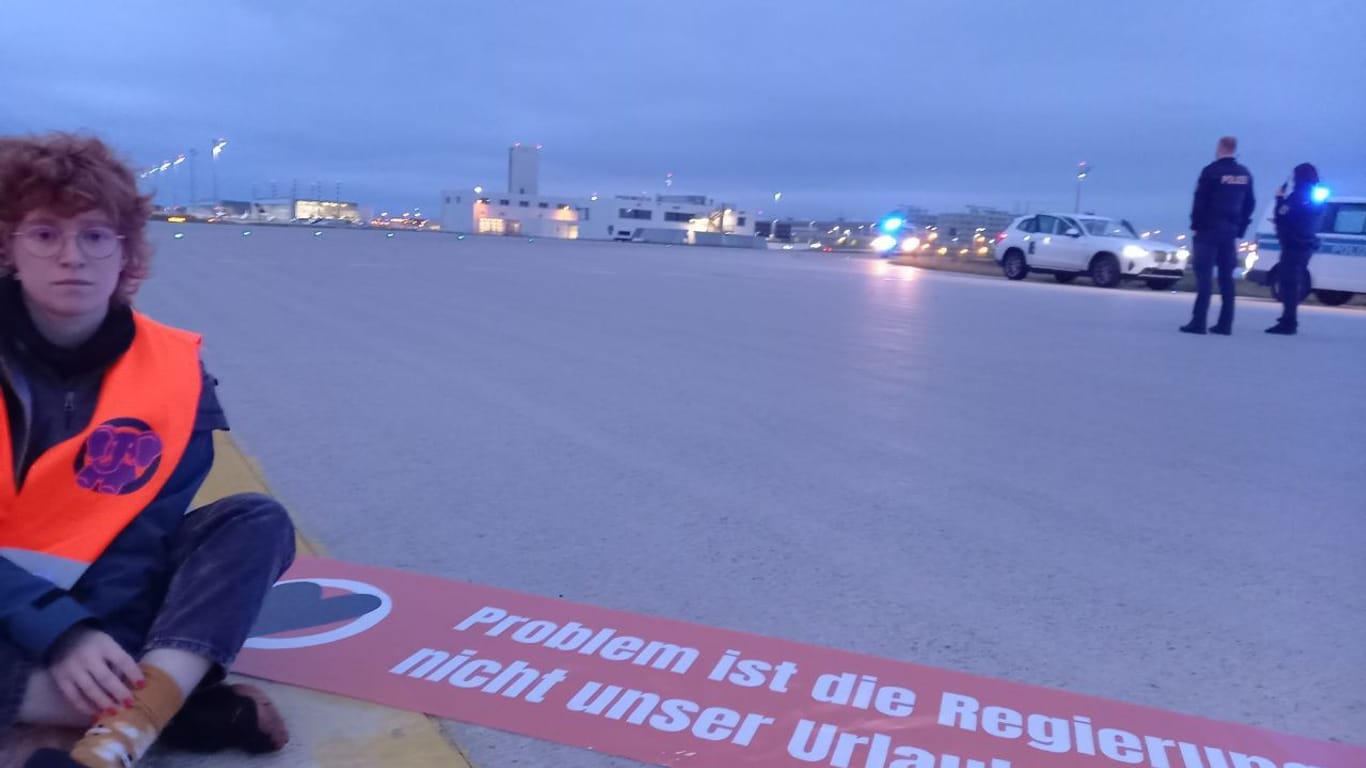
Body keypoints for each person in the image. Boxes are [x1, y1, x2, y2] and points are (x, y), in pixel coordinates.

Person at [0, 134, 295, 768]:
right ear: (9, 248)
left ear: (125, 252)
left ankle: (118, 726)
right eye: (45, 234)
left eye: (96, 235)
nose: (72, 257)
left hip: (112, 598)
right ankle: (162, 704)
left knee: (255, 521)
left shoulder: (175, 373)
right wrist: (58, 631)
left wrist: (95, 640)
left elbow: (140, 544)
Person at [1181, 136, 1256, 336]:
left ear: (1221, 148)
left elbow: (1200, 201)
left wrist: (1195, 225)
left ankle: (1199, 322)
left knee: (1204, 277)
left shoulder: (1211, 172)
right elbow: (1250, 204)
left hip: (1208, 231)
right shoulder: (1244, 174)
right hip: (1229, 232)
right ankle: (1225, 324)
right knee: (1226, 279)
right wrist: (1240, 229)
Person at [1267, 163, 1326, 335]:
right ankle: (1288, 318)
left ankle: (1288, 321)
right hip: (1306, 244)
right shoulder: (1316, 196)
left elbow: (1282, 215)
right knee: (1293, 281)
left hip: (1293, 245)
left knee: (1288, 284)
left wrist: (1279, 198)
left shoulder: (1298, 195)